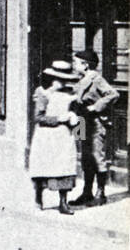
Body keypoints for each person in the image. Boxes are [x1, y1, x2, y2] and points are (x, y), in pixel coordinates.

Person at [30, 60, 81, 214]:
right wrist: (58, 119)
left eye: (64, 79)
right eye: (59, 79)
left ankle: (63, 203)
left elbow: (77, 114)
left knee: (65, 166)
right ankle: (39, 198)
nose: (62, 82)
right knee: (44, 166)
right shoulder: (43, 93)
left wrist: (77, 124)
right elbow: (38, 117)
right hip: (46, 136)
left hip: (64, 136)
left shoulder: (71, 94)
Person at [70, 49, 116, 207]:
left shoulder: (97, 79)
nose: (73, 65)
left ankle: (101, 192)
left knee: (97, 156)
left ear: (85, 64)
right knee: (85, 156)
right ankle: (87, 191)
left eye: (75, 62)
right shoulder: (80, 79)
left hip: (95, 122)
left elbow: (113, 94)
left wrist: (96, 107)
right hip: (81, 121)